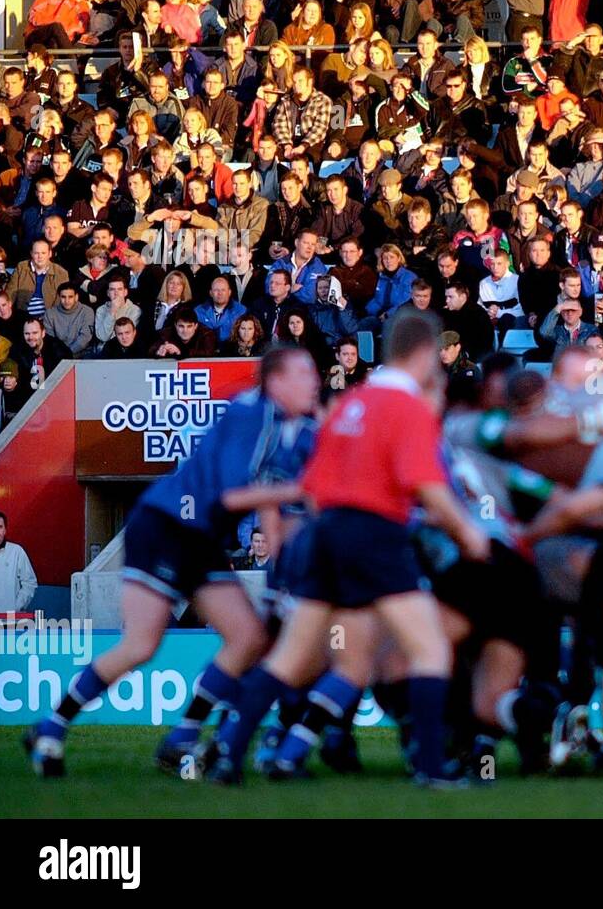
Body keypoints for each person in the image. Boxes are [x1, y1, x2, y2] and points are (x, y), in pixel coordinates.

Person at [209, 311, 489, 788]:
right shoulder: (409, 409)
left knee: (295, 659)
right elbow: (426, 485)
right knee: (430, 651)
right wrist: (469, 534)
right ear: (425, 355)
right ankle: (431, 770)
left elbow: (314, 485)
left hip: (325, 532)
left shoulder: (351, 403)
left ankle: (228, 756)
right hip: (374, 534)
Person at [24, 347, 321, 777]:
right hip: (165, 524)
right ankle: (51, 726)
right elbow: (233, 496)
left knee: (249, 637)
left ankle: (182, 736)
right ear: (275, 383)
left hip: (201, 537)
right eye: (303, 372)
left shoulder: (299, 429)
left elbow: (273, 507)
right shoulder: (250, 416)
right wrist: (301, 493)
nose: (313, 381)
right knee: (141, 644)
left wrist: (278, 580)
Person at [0, 510, 39, 613]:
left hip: (10, 620)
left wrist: (16, 607)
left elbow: (30, 583)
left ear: (5, 530)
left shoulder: (16, 552)